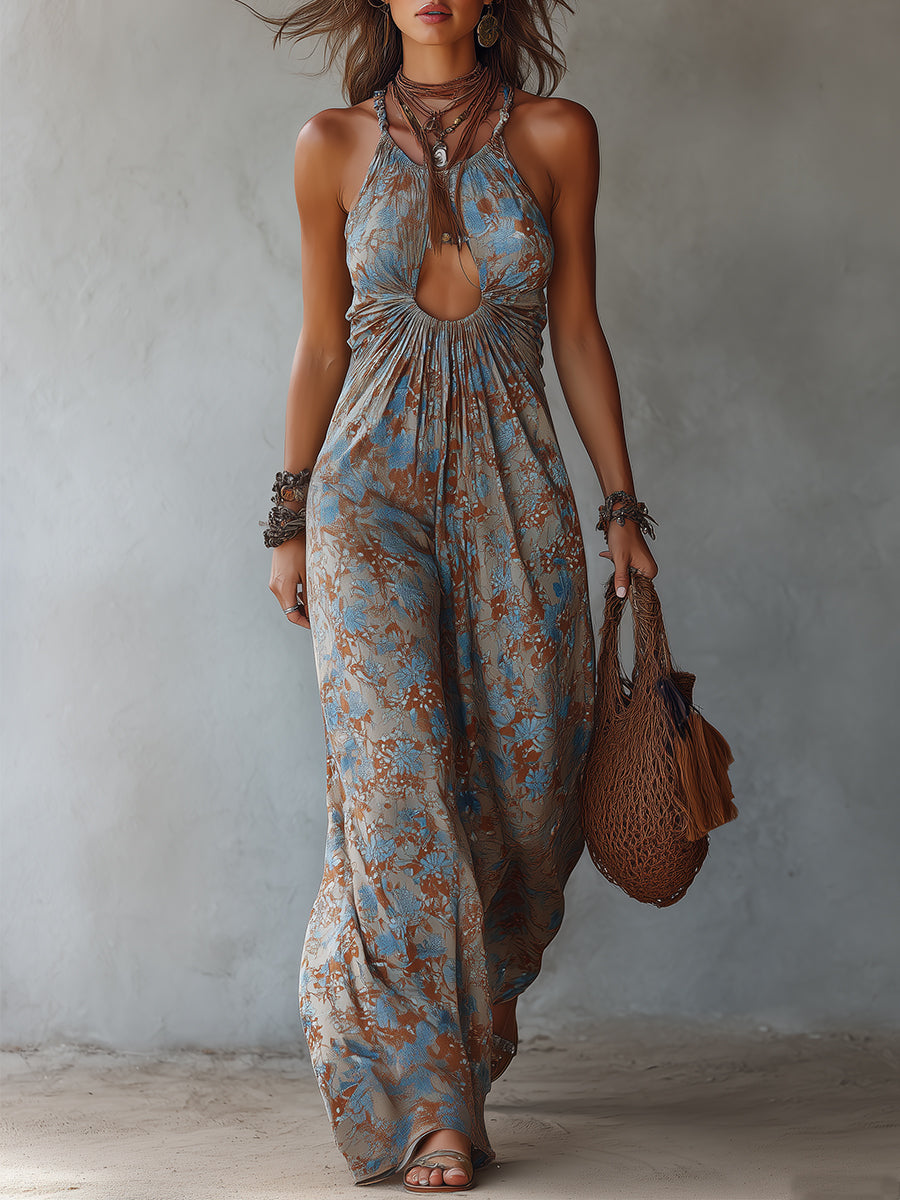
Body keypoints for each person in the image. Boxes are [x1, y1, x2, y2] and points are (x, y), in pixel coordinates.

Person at [249, 0, 658, 1190]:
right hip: (366, 500)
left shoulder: (559, 135)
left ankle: (470, 1017)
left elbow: (577, 331)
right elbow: (322, 344)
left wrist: (621, 509)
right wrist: (288, 519)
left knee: (531, 789)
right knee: (395, 793)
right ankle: (434, 1107)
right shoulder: (329, 146)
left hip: (514, 494)